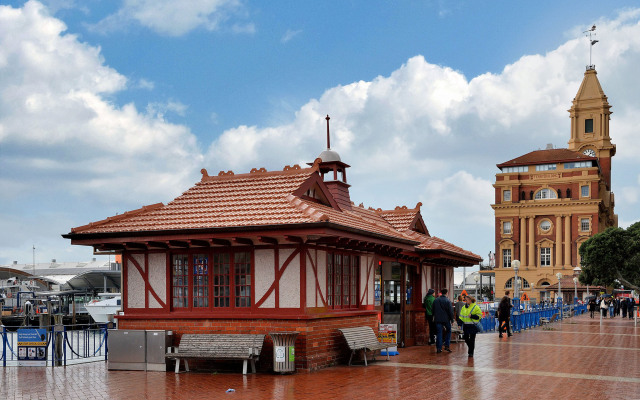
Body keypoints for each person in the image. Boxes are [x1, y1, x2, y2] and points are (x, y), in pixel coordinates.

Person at [432, 288, 454, 353]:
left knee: (439, 333)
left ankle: (439, 348)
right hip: (446, 319)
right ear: (446, 293)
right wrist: (452, 320)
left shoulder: (436, 300)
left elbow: (433, 309)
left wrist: (434, 316)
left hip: (438, 319)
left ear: (441, 292)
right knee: (449, 331)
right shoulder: (448, 301)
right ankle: (447, 345)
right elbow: (450, 311)